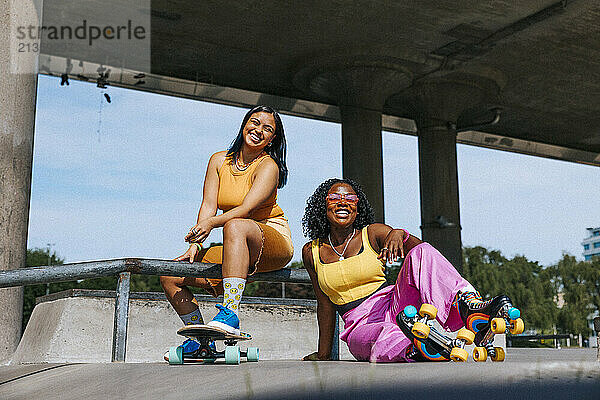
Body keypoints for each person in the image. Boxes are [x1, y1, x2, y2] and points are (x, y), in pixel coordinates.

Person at [300, 178, 520, 362]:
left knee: (422, 250)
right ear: (323, 205)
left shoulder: (372, 233)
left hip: (395, 304)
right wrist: (323, 354)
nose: (342, 203)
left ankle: (468, 306)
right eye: (335, 198)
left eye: (350, 198)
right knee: (381, 336)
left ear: (357, 208)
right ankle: (423, 347)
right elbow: (325, 304)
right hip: (359, 323)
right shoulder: (312, 251)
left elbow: (422, 255)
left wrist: (399, 233)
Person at [161, 105, 294, 356]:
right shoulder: (219, 160)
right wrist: (195, 245)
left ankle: (229, 313)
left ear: (272, 138)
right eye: (254, 123)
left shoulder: (268, 166)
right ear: (244, 124)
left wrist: (212, 224)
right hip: (235, 240)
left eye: (267, 129)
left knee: (235, 225)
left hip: (270, 240)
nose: (258, 130)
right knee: (171, 275)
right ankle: (200, 339)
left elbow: (245, 209)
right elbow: (209, 205)